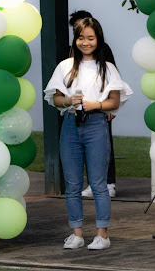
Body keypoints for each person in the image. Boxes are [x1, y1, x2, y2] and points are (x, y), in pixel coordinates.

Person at [44, 17, 132, 250]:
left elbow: (114, 101)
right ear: (76, 39)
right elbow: (55, 98)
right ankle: (77, 234)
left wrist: (96, 105)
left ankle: (102, 235)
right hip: (71, 125)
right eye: (81, 38)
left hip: (96, 125)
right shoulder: (65, 66)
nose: (85, 43)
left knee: (98, 183)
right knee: (72, 184)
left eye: (90, 38)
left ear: (98, 39)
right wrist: (68, 100)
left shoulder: (107, 68)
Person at [69, 10, 118, 198]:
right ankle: (91, 182)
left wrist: (108, 106)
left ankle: (109, 182)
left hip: (100, 106)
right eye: (77, 30)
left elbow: (113, 80)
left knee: (104, 145)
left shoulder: (103, 50)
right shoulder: (72, 51)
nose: (84, 37)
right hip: (79, 110)